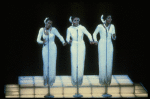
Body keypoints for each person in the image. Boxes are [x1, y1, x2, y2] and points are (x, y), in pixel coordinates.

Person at [37, 17, 67, 86]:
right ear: (45, 22)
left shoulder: (53, 29)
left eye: (50, 23)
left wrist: (63, 42)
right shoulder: (41, 30)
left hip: (53, 48)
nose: (49, 24)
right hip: (45, 47)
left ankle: (51, 81)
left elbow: (60, 36)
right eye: (48, 23)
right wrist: (42, 42)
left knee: (52, 64)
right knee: (46, 64)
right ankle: (45, 81)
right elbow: (38, 40)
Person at [66, 16, 94, 86]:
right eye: (75, 20)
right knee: (74, 63)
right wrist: (69, 41)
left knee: (81, 62)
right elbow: (67, 38)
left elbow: (88, 34)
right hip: (74, 45)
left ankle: (80, 81)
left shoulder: (82, 27)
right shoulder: (69, 29)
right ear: (72, 21)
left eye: (78, 20)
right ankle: (74, 81)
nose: (77, 21)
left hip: (81, 44)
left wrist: (91, 40)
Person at [93, 14, 116, 86]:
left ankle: (108, 81)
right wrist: (96, 40)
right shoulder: (100, 26)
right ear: (105, 19)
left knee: (109, 62)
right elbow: (94, 33)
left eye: (111, 18)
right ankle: (102, 81)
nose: (110, 19)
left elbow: (114, 37)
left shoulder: (112, 26)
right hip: (102, 43)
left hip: (109, 44)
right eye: (109, 18)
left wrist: (114, 36)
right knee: (102, 62)